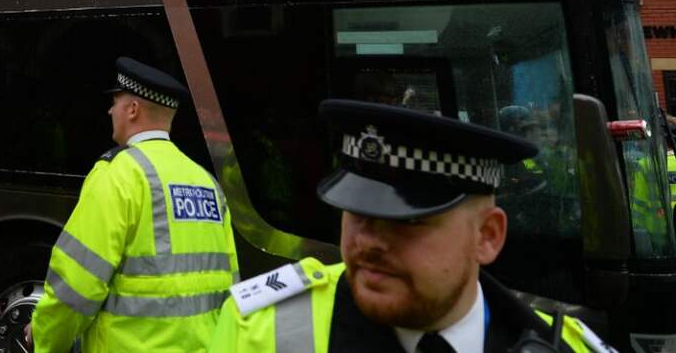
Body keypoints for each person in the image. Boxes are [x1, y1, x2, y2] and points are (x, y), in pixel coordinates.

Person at [208, 99, 613, 352]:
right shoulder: (258, 333)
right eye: (357, 211)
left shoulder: (565, 346)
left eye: (409, 220)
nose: (366, 241)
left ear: (487, 236)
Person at [29, 57, 239, 352]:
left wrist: (43, 336)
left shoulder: (117, 175)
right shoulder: (206, 183)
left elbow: (77, 284)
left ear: (133, 109)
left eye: (115, 101)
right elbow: (231, 288)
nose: (110, 110)